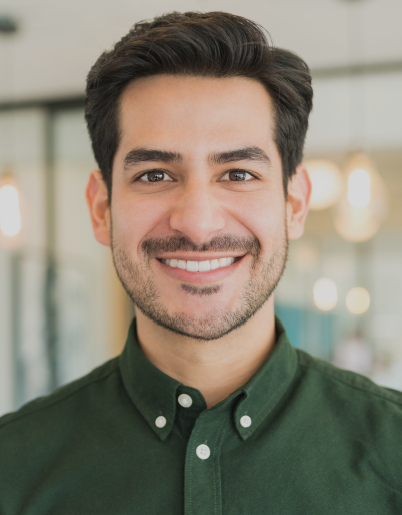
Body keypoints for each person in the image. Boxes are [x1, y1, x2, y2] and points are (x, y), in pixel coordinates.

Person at [1, 11, 401, 514]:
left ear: (293, 204)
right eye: (153, 175)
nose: (198, 224)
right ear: (102, 210)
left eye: (237, 173)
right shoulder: (11, 468)